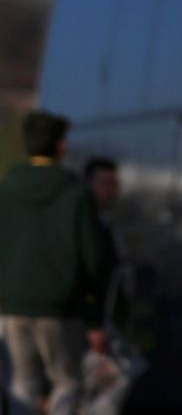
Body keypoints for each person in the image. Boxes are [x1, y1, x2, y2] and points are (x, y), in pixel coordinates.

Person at [0, 112, 111, 415]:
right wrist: (94, 318)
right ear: (61, 147)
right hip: (61, 307)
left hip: (10, 305)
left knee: (22, 383)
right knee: (67, 381)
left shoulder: (6, 189)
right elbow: (94, 258)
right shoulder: (75, 194)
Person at [80, 158, 135, 415]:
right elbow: (86, 274)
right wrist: (93, 323)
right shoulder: (84, 225)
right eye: (105, 183)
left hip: (105, 322)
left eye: (114, 184)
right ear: (88, 184)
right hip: (90, 326)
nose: (112, 190)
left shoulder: (106, 223)